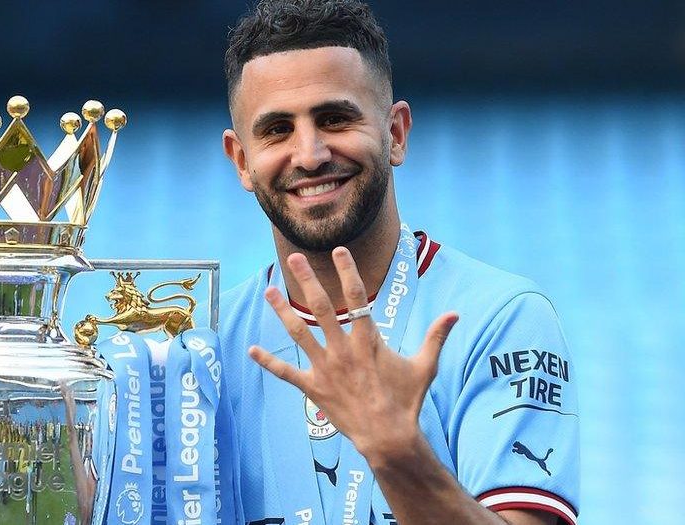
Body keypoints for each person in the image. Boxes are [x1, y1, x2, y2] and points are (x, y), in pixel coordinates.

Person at [218, 1, 579, 524]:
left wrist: (396, 451)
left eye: (335, 119)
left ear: (396, 134)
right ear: (242, 160)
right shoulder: (204, 344)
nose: (310, 154)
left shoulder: (500, 319)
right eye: (277, 129)